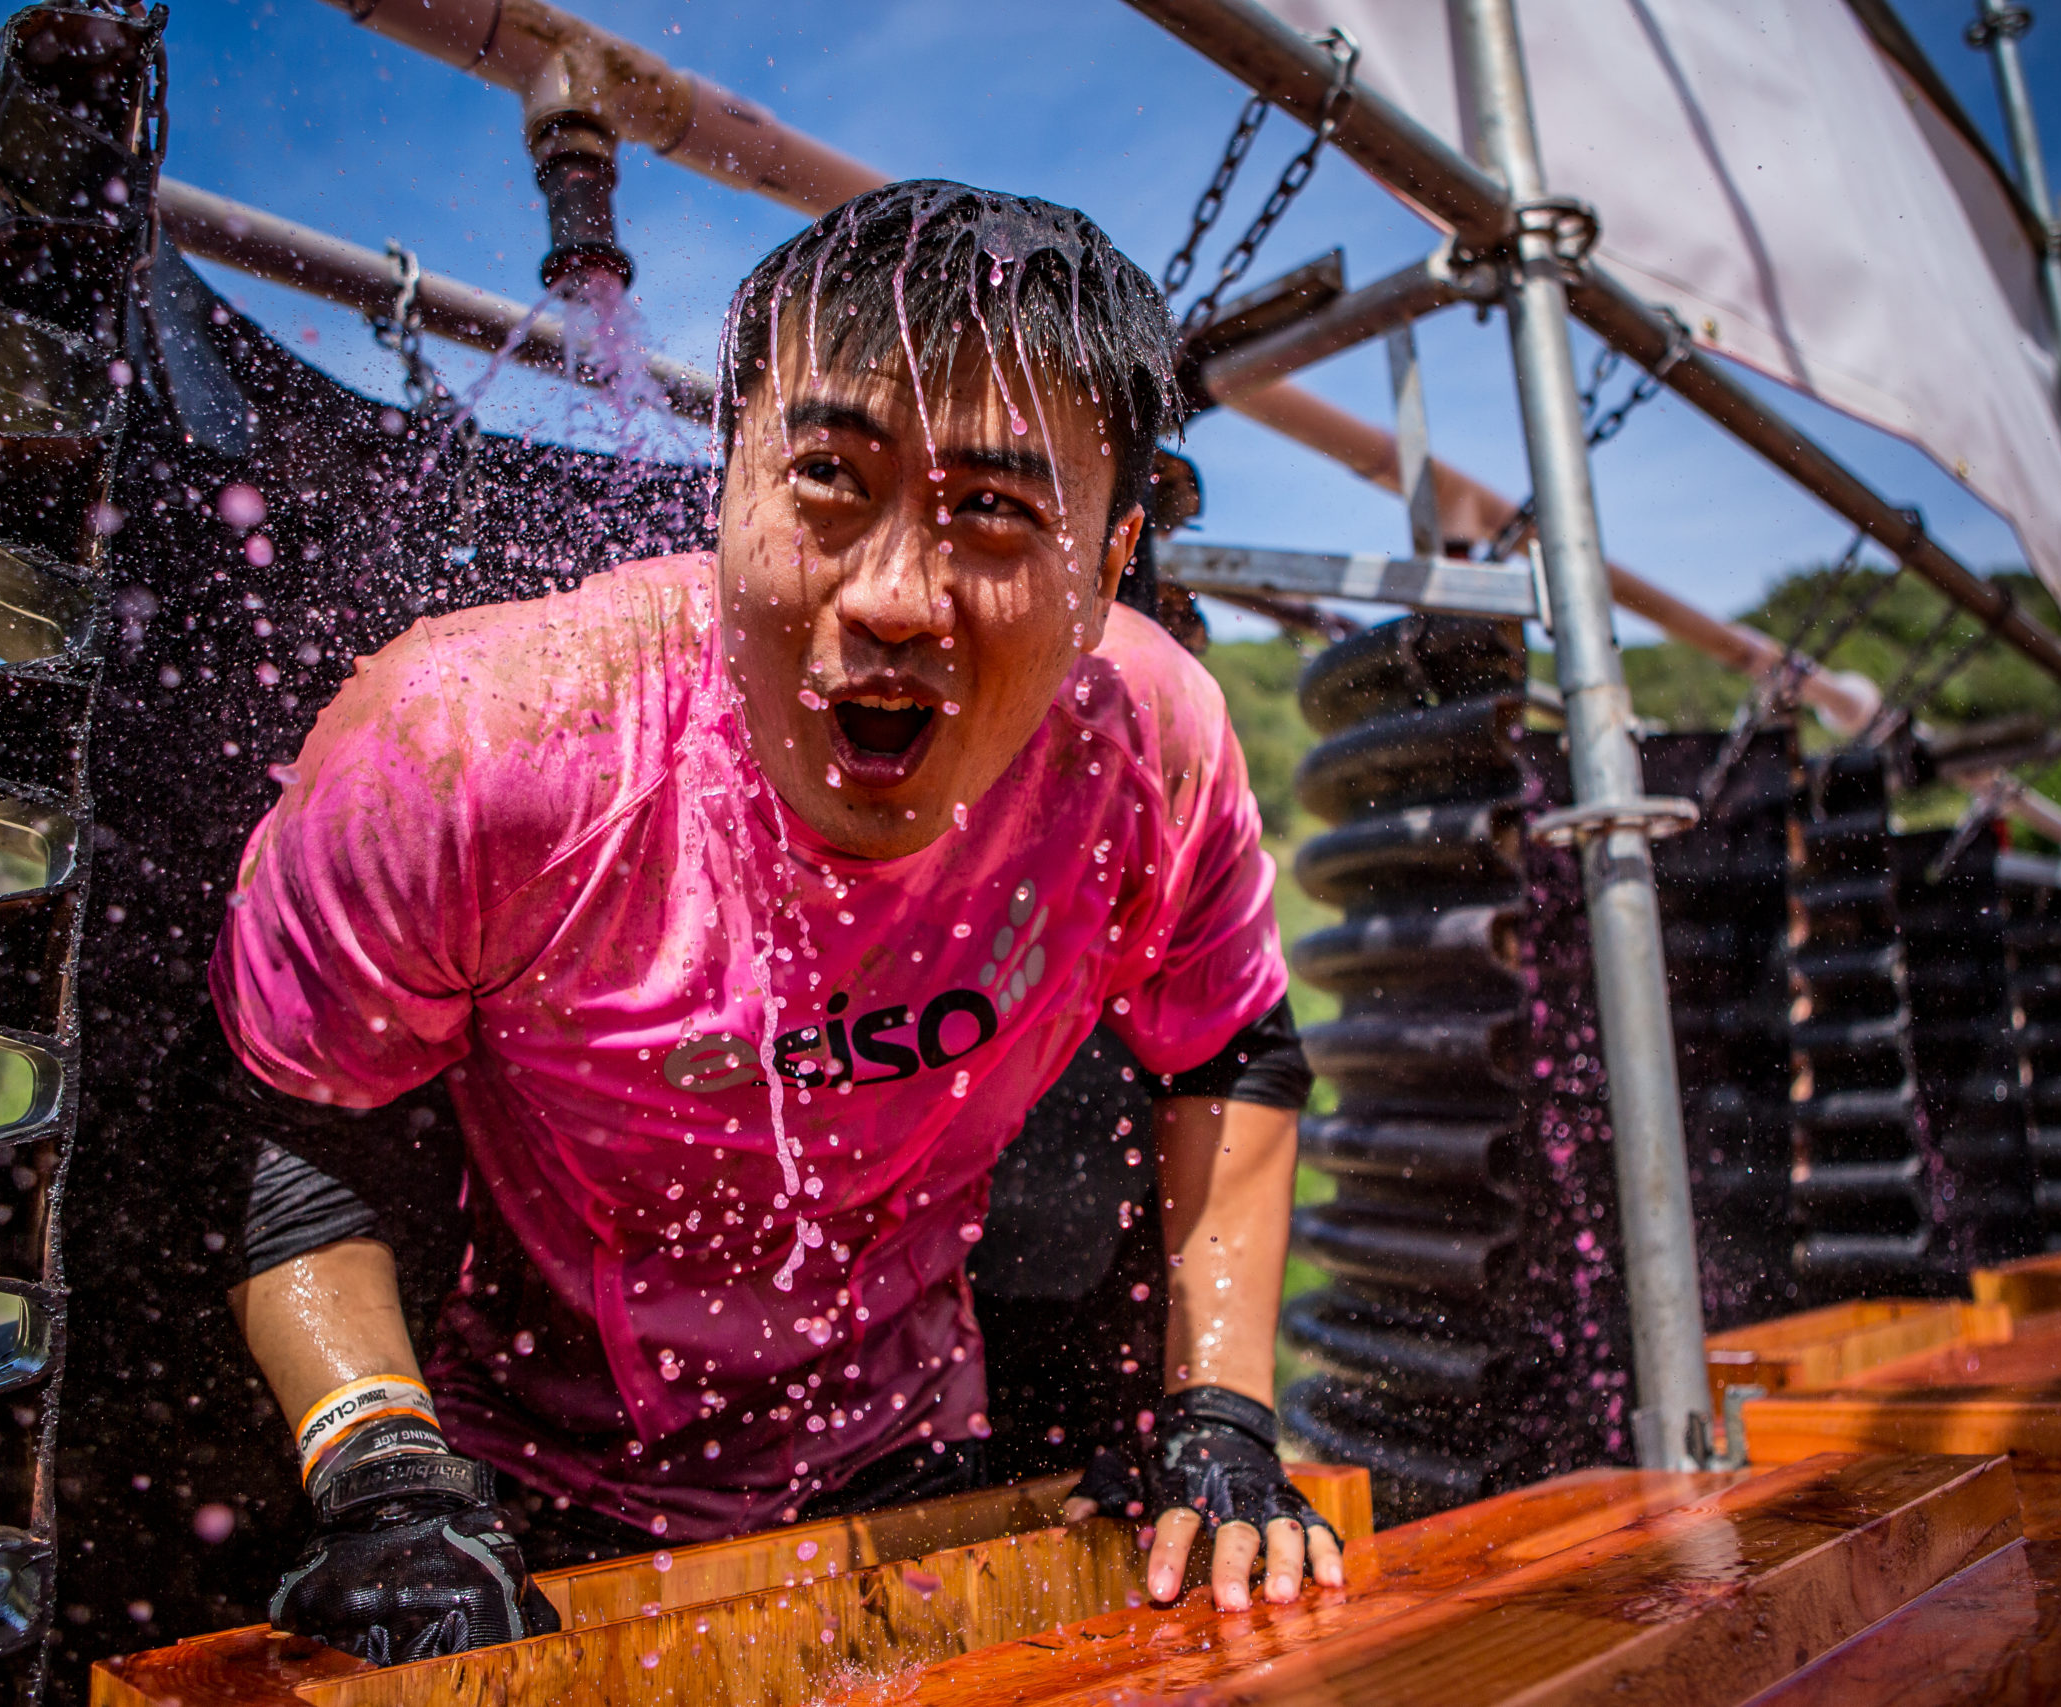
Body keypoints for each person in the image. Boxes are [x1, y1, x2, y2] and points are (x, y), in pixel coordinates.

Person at [209, 180, 1338, 1664]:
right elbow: (299, 1130)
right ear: (723, 481)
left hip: (910, 1472)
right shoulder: (473, 746)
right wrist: (384, 1475)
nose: (892, 597)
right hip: (525, 1499)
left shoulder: (1151, 752)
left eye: (995, 511)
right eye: (826, 478)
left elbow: (1235, 1047)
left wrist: (1221, 1411)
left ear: (1112, 560)